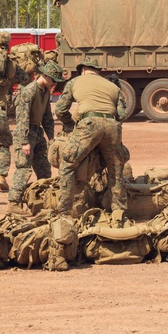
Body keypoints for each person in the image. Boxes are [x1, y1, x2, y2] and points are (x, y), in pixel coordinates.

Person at [54, 57, 127, 217]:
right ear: (98, 71)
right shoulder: (113, 87)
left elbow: (59, 110)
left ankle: (64, 211)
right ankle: (118, 210)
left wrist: (70, 124)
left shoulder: (75, 82)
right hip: (112, 125)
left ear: (82, 70)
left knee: (68, 163)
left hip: (89, 124)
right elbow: (122, 114)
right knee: (116, 168)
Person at [7, 61, 62, 212]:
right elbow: (22, 118)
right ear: (45, 75)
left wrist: (51, 137)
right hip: (25, 133)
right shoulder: (28, 91)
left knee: (44, 169)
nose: (55, 83)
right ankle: (13, 203)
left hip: (37, 132)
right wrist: (25, 141)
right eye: (53, 79)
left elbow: (47, 116)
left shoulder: (45, 92)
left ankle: (42, 200)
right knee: (23, 169)